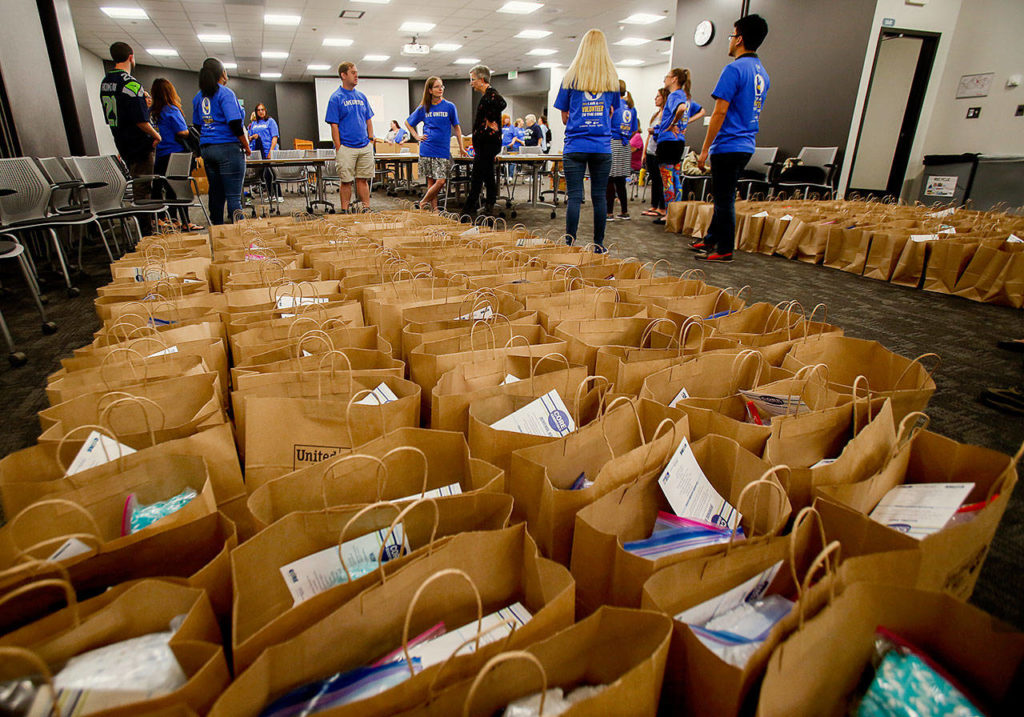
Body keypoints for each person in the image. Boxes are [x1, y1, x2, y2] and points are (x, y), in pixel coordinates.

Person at [694, 13, 770, 262]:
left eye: (731, 35)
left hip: (728, 144)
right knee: (723, 195)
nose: (729, 41)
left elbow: (720, 112)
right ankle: (711, 238)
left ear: (739, 39)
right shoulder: (762, 73)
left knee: (724, 198)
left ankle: (725, 248)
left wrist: (704, 149)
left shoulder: (734, 69)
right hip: (747, 144)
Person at [554, 28, 620, 251]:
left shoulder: (570, 78)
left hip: (575, 144)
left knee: (574, 197)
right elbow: (612, 112)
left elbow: (564, 117)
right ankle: (599, 244)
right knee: (599, 197)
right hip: (602, 146)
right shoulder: (611, 79)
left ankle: (570, 244)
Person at [100, 41, 161, 236]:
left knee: (138, 186)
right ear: (131, 57)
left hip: (122, 142)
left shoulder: (106, 83)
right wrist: (156, 135)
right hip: (139, 145)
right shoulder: (130, 84)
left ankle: (146, 230)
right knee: (143, 189)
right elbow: (141, 120)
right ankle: (147, 234)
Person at [192, 57, 250, 225]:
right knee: (233, 197)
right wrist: (246, 146)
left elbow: (197, 125)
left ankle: (217, 231)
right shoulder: (225, 93)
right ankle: (240, 236)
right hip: (228, 149)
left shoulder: (199, 96)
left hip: (208, 150)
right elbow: (234, 123)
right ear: (222, 73)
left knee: (216, 194)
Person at [405, 76, 465, 211]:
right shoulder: (424, 107)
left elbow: (457, 127)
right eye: (437, 87)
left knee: (441, 181)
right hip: (427, 148)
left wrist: (461, 147)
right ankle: (435, 210)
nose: (440, 89)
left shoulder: (450, 106)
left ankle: (422, 202)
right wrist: (416, 136)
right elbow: (408, 123)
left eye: (442, 86)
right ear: (430, 90)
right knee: (431, 181)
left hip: (442, 149)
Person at [150, 78, 201, 231]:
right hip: (176, 155)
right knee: (181, 188)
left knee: (169, 190)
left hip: (161, 155)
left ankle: (173, 220)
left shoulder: (153, 113)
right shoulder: (171, 110)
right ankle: (186, 221)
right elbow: (182, 131)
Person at [325, 61, 376, 212]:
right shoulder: (336, 98)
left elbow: (368, 119)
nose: (356, 76)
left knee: (363, 180)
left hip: (364, 145)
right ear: (343, 75)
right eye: (353, 73)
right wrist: (339, 147)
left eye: (356, 73)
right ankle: (345, 211)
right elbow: (334, 125)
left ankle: (366, 208)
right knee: (346, 181)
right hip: (346, 147)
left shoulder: (361, 96)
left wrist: (371, 140)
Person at [652, 67, 697, 225]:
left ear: (674, 79)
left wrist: (672, 123)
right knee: (675, 177)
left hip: (668, 142)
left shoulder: (674, 95)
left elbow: (681, 109)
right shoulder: (685, 95)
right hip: (678, 142)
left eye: (667, 77)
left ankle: (669, 214)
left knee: (667, 179)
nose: (665, 80)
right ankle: (676, 213)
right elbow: (700, 111)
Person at [462, 65, 506, 217]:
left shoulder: (491, 94)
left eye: (473, 80)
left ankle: (469, 210)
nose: (471, 83)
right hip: (485, 144)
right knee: (487, 175)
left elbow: (502, 103)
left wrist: (491, 120)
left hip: (488, 143)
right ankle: (488, 206)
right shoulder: (486, 96)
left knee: (477, 177)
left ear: (482, 80)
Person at [607, 80, 638, 221]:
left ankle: (609, 213)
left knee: (610, 179)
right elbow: (635, 129)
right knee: (620, 180)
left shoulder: (614, 106)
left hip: (613, 143)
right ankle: (624, 211)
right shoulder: (631, 107)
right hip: (625, 145)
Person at [247, 103, 281, 204]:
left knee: (272, 173)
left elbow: (274, 137)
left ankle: (278, 195)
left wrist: (271, 151)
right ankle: (270, 195)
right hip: (258, 152)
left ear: (265, 111)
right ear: (256, 112)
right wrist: (252, 137)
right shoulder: (254, 123)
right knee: (264, 175)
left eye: (262, 109)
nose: (261, 111)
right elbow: (249, 136)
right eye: (258, 110)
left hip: (268, 150)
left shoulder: (270, 121)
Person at [642, 88, 667, 218]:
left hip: (659, 150)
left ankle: (662, 207)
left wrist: (655, 131)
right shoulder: (656, 114)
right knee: (654, 179)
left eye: (658, 96)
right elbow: (648, 135)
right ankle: (654, 205)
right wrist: (644, 152)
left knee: (659, 180)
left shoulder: (666, 115)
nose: (655, 99)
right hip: (651, 150)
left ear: (664, 98)